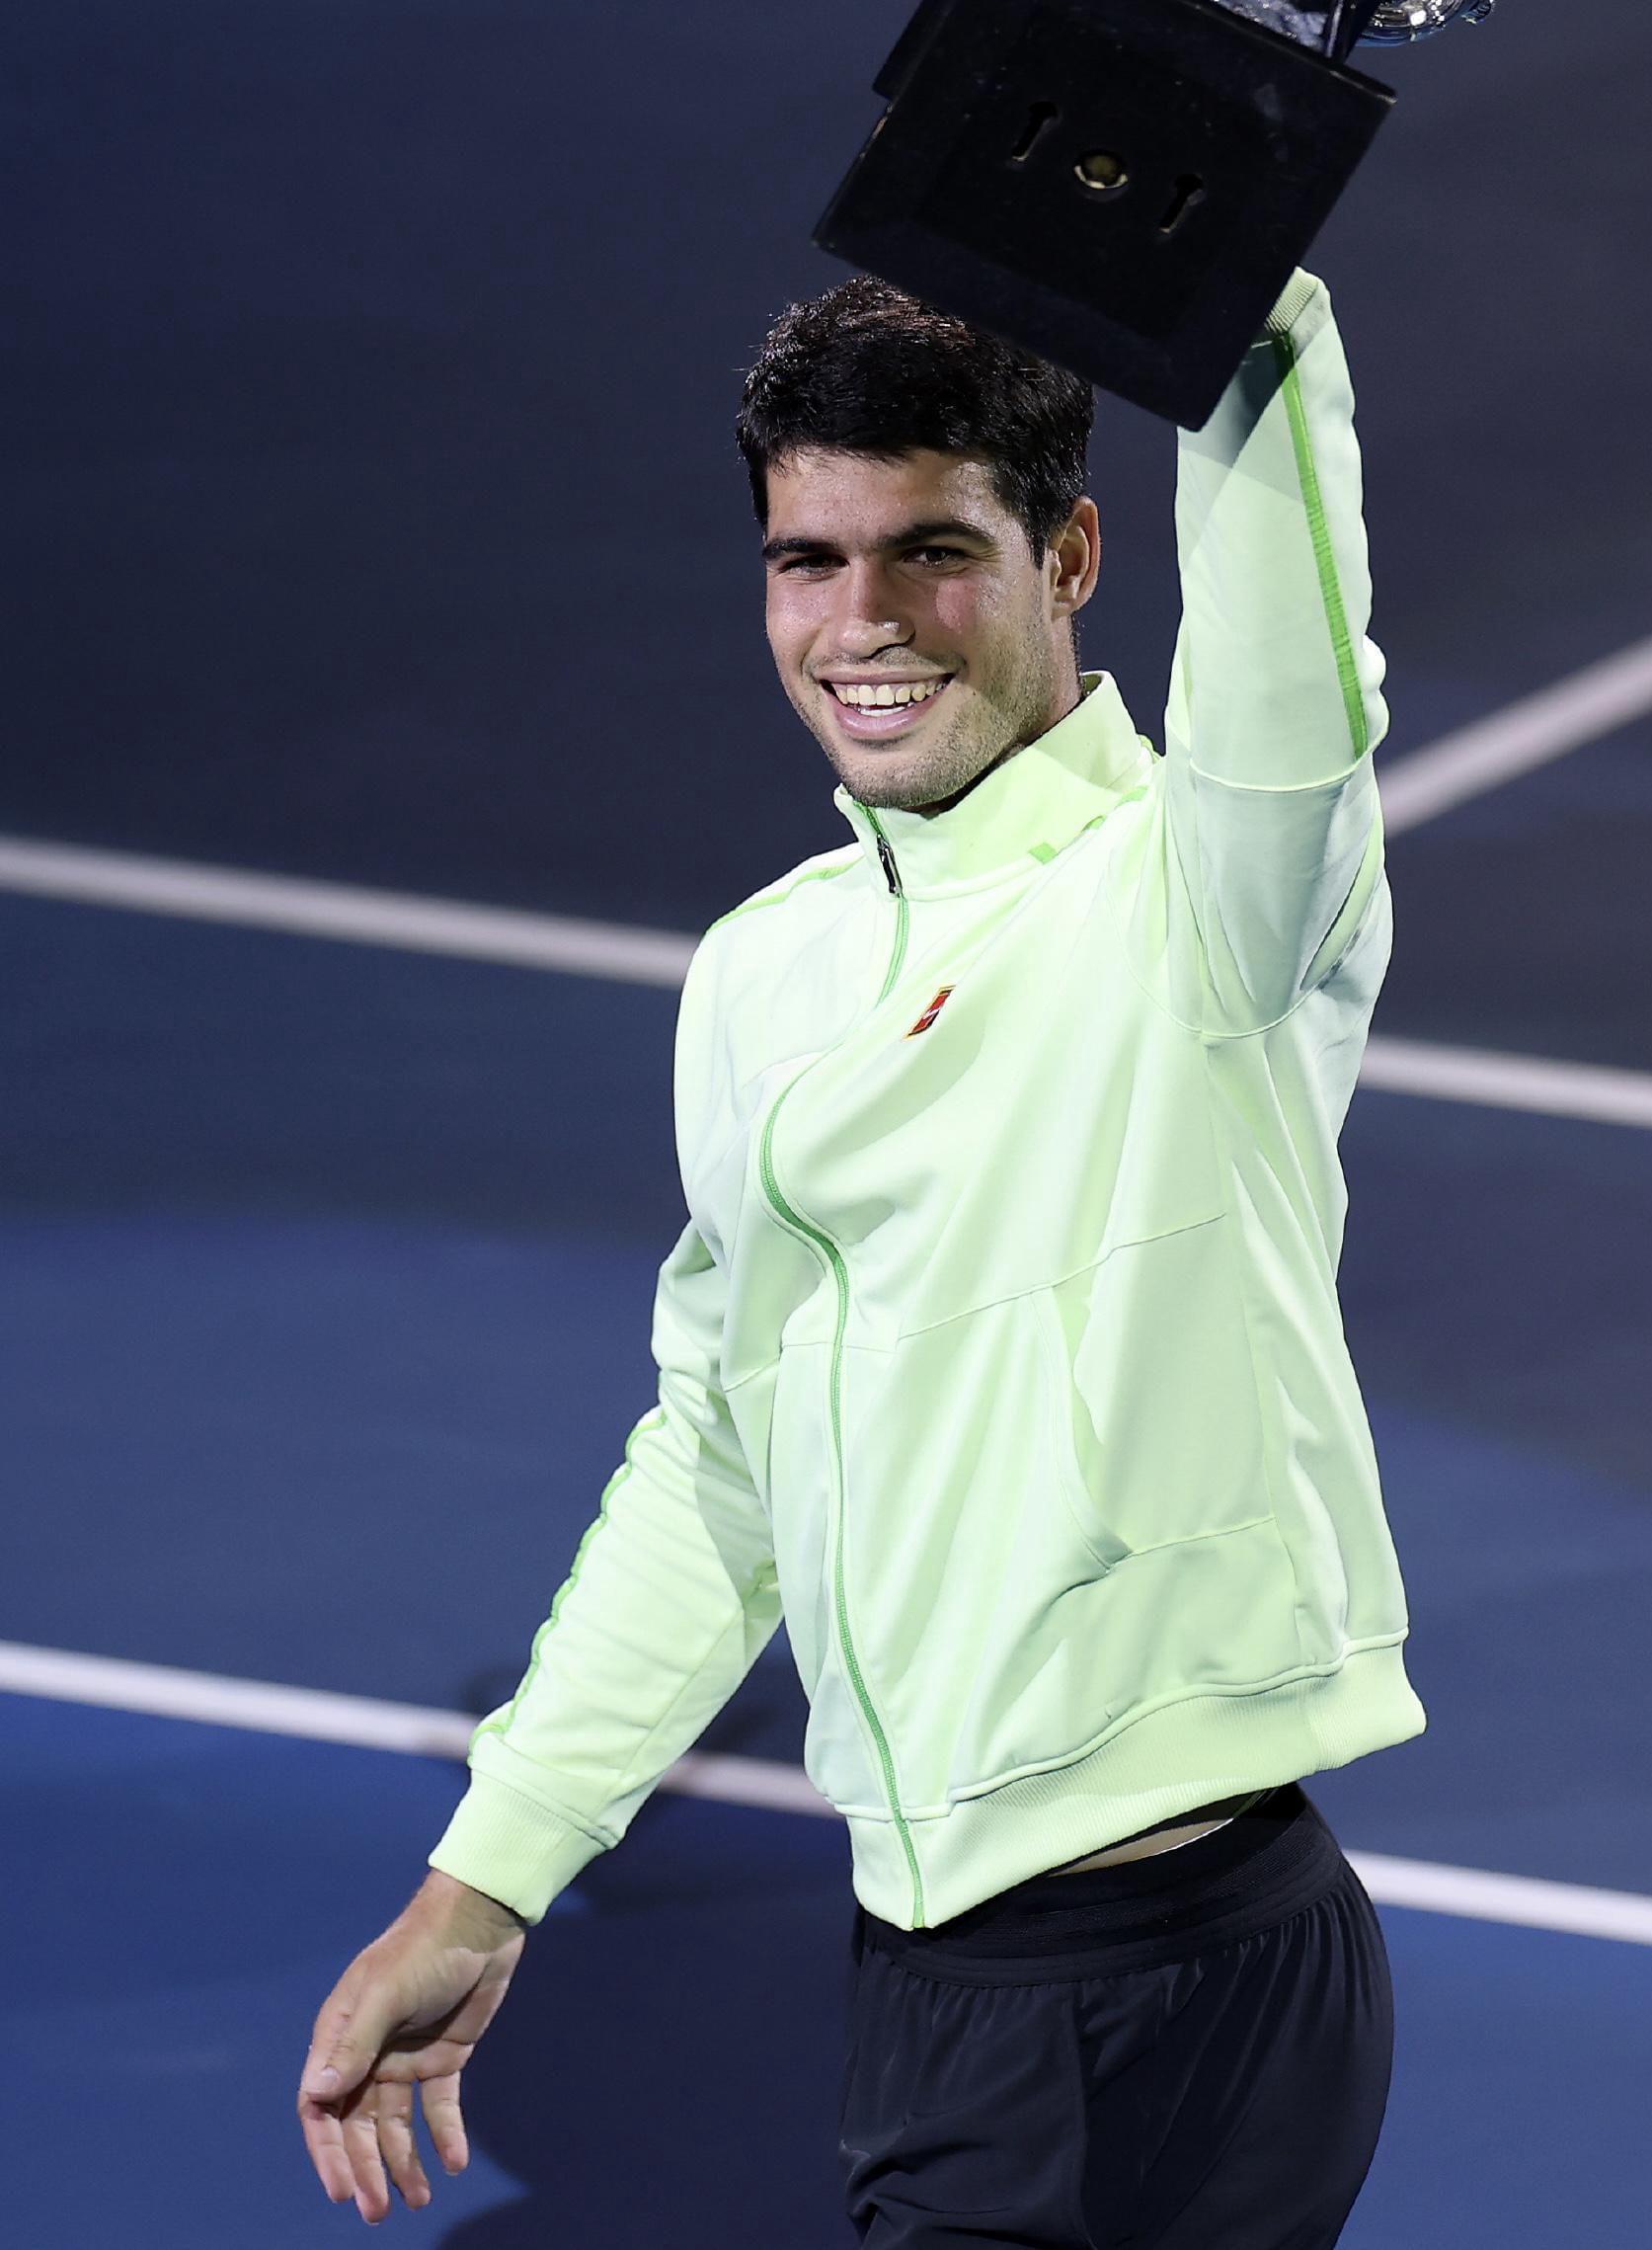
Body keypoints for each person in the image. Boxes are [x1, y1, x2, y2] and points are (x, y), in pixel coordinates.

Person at [297, 253, 1426, 2245]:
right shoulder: (765, 971)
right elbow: (721, 1453)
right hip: (939, 1973)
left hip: (1171, 1971)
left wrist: (1248, 316)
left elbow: (1290, 689)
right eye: (806, 560)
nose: (862, 622)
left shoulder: (1199, 894)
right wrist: (488, 1876)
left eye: (933, 552)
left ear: (1072, 554)